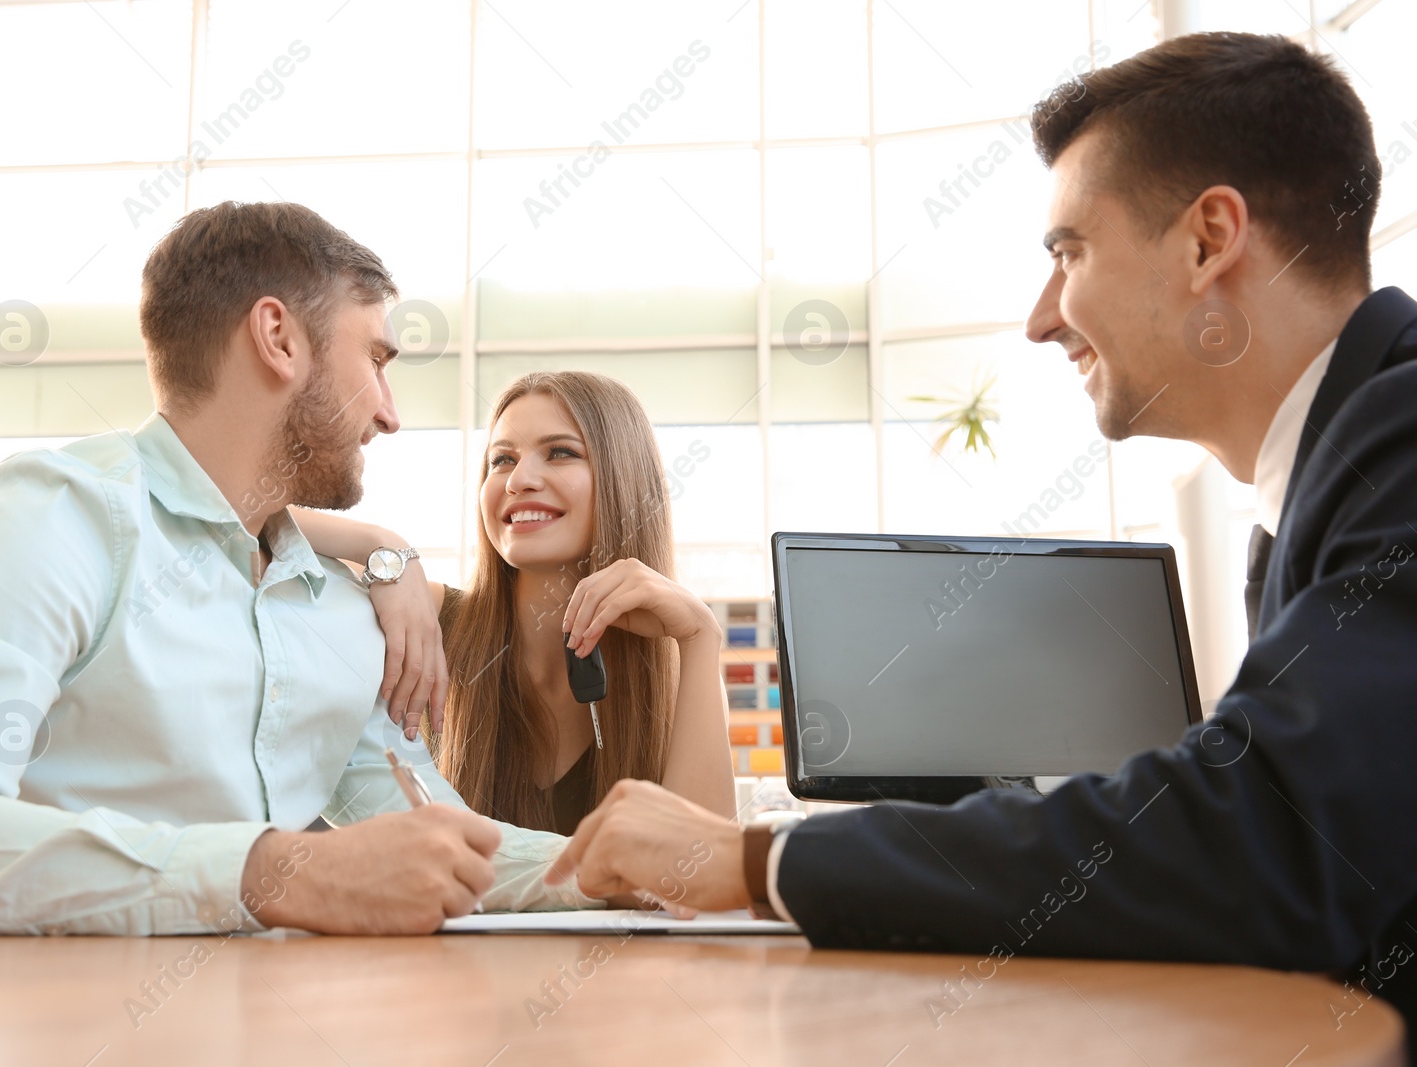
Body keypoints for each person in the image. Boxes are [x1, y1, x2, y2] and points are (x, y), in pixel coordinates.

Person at [546, 30, 1417, 1033]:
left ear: (1207, 238)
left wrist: (753, 859)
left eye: (1067, 252)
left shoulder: (1395, 443)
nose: (1042, 318)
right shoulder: (1332, 479)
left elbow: (1266, 839)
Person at [0, 201, 605, 936]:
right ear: (279, 338)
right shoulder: (56, 520)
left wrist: (601, 864)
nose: (390, 414)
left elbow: (436, 837)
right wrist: (274, 872)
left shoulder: (339, 606)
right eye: (375, 358)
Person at [292, 371, 737, 835]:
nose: (518, 479)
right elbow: (241, 519)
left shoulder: (680, 666)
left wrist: (701, 637)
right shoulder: (426, 617)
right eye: (501, 460)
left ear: (622, 477)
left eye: (560, 453)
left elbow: (699, 868)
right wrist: (383, 545)